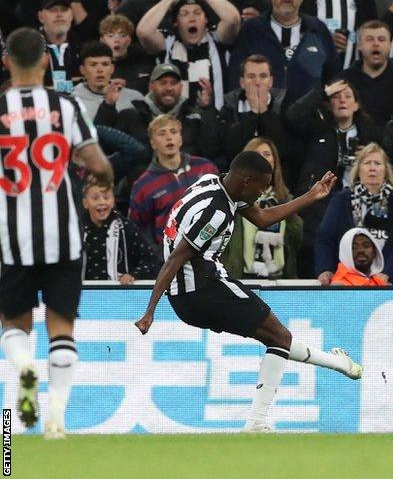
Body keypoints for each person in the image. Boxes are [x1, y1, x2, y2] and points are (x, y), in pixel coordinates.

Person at [134, 152, 363, 433]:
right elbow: (175, 259)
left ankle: (339, 363)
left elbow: (264, 218)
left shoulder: (212, 182)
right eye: (260, 187)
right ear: (246, 182)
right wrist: (149, 310)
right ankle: (256, 421)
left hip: (188, 296)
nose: (262, 193)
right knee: (279, 337)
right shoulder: (215, 213)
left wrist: (311, 195)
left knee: (278, 339)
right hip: (203, 289)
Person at [0, 27, 113, 439]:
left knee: (14, 323)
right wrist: (96, 177)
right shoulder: (65, 106)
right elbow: (98, 163)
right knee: (61, 327)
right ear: (47, 61)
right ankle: (56, 420)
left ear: (6, 61)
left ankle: (25, 368)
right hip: (64, 234)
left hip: (14, 238)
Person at [284, 78, 382, 274]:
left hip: (358, 206)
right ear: (328, 104)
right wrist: (323, 91)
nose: (342, 100)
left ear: (356, 104)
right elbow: (292, 116)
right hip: (318, 207)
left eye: (347, 96)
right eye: (336, 97)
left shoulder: (371, 134)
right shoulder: (317, 129)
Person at [230, 0, 340, 112]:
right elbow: (236, 78)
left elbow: (333, 76)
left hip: (309, 121)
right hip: (264, 118)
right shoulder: (252, 30)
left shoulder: (318, 29)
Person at [315, 143, 393, 284]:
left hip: (386, 280)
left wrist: (388, 273)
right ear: (358, 169)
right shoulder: (341, 199)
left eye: (377, 163)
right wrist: (325, 269)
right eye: (367, 163)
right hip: (346, 278)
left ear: (386, 170)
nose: (372, 168)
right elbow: (325, 238)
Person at [136, 0, 241, 110]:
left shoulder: (217, 38)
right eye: (184, 14)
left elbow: (233, 18)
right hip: (174, 124)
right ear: (175, 22)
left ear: (206, 19)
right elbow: (143, 31)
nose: (192, 18)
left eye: (197, 13)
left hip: (214, 121)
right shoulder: (168, 42)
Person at [96, 63, 221, 159]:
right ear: (151, 86)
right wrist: (108, 106)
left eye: (173, 83)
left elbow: (212, 150)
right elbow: (103, 147)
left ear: (181, 87)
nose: (168, 88)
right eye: (163, 83)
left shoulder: (194, 117)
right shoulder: (131, 116)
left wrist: (207, 109)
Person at [129, 114, 220, 244]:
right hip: (170, 258)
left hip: (210, 250)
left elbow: (224, 205)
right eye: (162, 133)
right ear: (153, 143)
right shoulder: (143, 186)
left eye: (174, 132)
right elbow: (137, 229)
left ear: (180, 138)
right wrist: (158, 256)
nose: (169, 137)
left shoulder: (205, 168)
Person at [222, 138, 304, 279]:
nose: (262, 159)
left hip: (279, 278)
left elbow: (296, 240)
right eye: (256, 154)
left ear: (275, 161)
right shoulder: (235, 198)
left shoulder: (285, 198)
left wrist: (292, 214)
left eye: (266, 154)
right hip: (242, 276)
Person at [81, 176, 160, 283]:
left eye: (106, 197)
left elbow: (150, 260)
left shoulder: (126, 227)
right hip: (83, 293)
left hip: (119, 294)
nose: (101, 202)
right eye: (95, 198)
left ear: (113, 200)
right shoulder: (76, 229)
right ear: (85, 203)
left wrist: (134, 275)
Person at [220, 54, 293, 162]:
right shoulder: (230, 107)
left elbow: (283, 150)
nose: (257, 82)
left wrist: (263, 111)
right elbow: (231, 150)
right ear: (242, 82)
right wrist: (253, 113)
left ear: (271, 81)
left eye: (263, 76)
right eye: (251, 76)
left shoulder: (284, 104)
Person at [340, 19, 393, 125]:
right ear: (359, 45)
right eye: (369, 39)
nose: (376, 44)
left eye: (381, 39)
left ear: (389, 45)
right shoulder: (344, 81)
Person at [72, 41, 145, 120]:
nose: (100, 70)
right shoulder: (73, 101)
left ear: (112, 69)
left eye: (105, 64)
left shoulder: (134, 98)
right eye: (93, 65)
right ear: (82, 70)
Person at [37, 0, 82, 94]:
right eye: (53, 10)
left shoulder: (81, 45)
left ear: (71, 15)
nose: (59, 15)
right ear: (41, 17)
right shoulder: (31, 47)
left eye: (64, 10)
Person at [99, 13, 153, 94]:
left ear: (129, 40)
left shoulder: (144, 61)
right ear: (102, 41)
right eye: (111, 36)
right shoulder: (97, 66)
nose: (116, 40)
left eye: (122, 35)